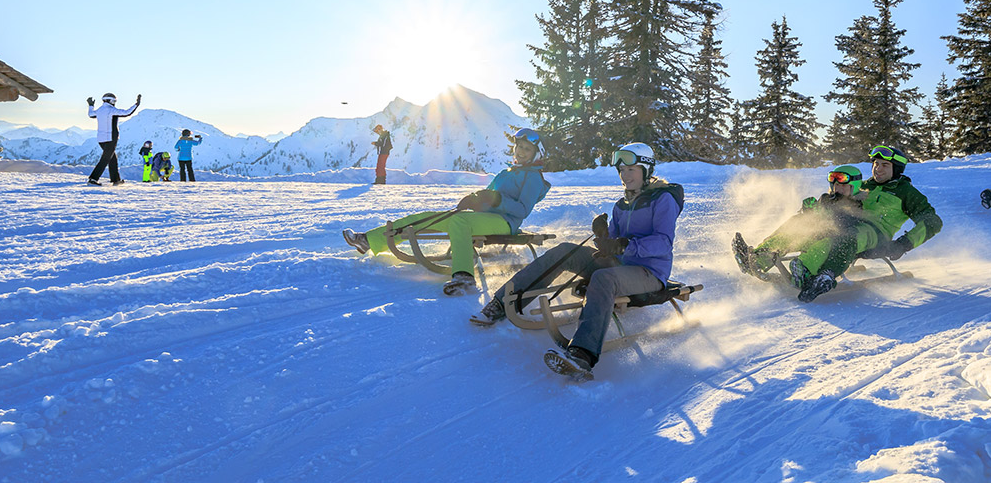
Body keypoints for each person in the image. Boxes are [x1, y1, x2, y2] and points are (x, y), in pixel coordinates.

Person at [470, 142, 683, 382]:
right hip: (618, 265)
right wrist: (604, 235)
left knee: (603, 279)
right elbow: (610, 244)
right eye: (621, 170)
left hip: (648, 273)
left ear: (646, 169)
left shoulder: (662, 199)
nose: (624, 176)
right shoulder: (621, 205)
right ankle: (504, 301)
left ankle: (582, 354)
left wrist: (624, 245)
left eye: (631, 169)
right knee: (565, 251)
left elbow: (663, 243)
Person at [342, 128, 551, 295]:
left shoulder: (533, 177)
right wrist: (476, 199)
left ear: (536, 154)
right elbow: (489, 194)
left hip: (506, 223)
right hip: (486, 218)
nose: (521, 152)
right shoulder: (506, 173)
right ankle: (369, 240)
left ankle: (464, 276)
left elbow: (523, 210)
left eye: (527, 149)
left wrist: (497, 199)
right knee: (428, 217)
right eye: (519, 147)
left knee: (460, 223)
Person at [782, 146, 942, 302]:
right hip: (845, 224)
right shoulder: (863, 185)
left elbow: (932, 221)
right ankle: (768, 253)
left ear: (897, 169)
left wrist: (903, 244)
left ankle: (825, 276)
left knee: (848, 236)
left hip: (874, 236)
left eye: (885, 165)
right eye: (876, 164)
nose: (878, 169)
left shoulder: (906, 193)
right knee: (803, 224)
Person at [731, 165, 866, 282]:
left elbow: (844, 225)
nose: (838, 188)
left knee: (793, 235)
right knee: (795, 223)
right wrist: (807, 210)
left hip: (829, 244)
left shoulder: (856, 205)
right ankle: (755, 259)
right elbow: (812, 217)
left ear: (854, 186)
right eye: (836, 185)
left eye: (843, 185)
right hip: (813, 234)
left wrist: (821, 215)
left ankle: (768, 262)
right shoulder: (827, 198)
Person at [86, 92, 140, 186]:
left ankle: (115, 180)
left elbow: (91, 114)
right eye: (114, 100)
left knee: (112, 158)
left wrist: (91, 105)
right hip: (111, 138)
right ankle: (93, 178)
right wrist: (136, 104)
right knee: (105, 159)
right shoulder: (111, 110)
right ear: (110, 100)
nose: (114, 102)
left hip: (101, 139)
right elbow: (127, 112)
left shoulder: (100, 110)